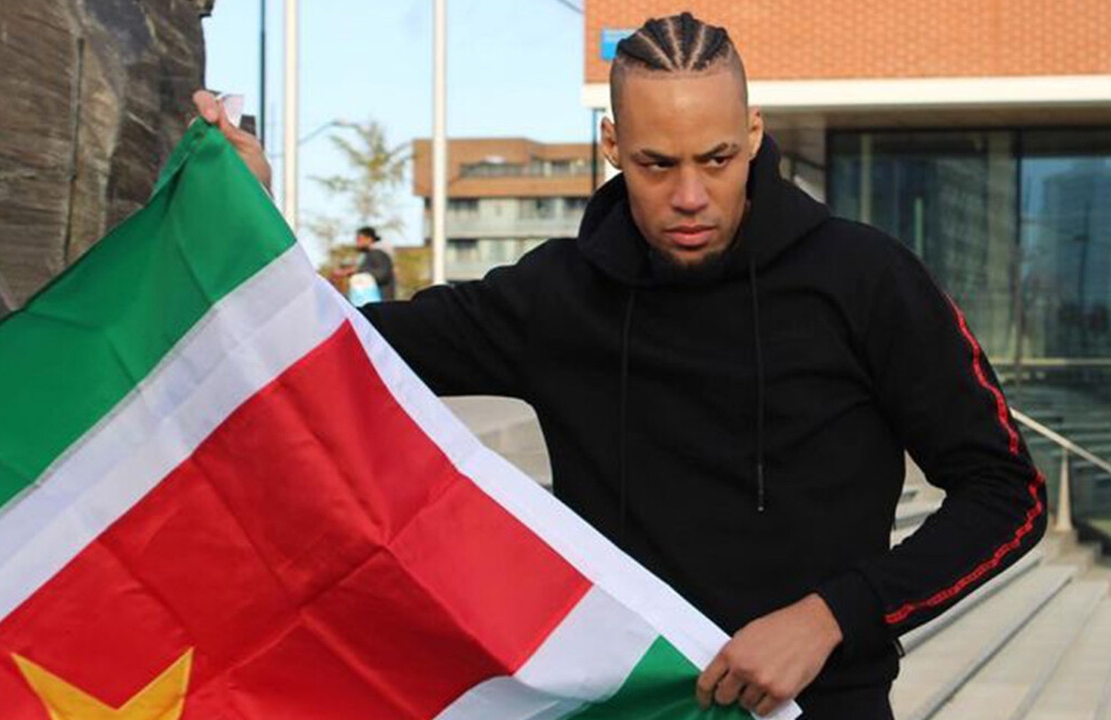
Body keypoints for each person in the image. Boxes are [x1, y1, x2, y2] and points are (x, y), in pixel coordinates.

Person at [191, 11, 1045, 719]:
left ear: (753, 134)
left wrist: (832, 616)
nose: (689, 196)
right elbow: (334, 346)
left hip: (825, 706)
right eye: (656, 164)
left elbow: (1009, 495)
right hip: (628, 708)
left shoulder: (865, 279)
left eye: (717, 159)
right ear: (612, 144)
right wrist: (241, 213)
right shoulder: (558, 297)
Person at [352, 226, 396, 302]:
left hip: (379, 301)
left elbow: (382, 275)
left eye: (359, 239)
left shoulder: (377, 253)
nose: (357, 242)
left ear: (369, 239)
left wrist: (357, 271)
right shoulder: (369, 255)